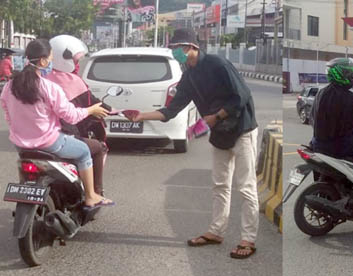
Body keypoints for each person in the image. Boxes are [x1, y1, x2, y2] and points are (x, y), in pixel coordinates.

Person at [126, 28, 259, 259]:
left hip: (242, 130)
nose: (175, 52)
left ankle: (248, 239)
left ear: (192, 47)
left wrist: (216, 116)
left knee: (246, 187)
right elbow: (171, 110)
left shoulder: (218, 64)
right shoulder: (188, 76)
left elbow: (242, 95)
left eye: (178, 48)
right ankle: (216, 231)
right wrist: (141, 116)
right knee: (220, 185)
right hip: (219, 133)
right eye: (173, 48)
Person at [0, 39, 113, 208]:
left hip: (21, 144)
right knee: (83, 152)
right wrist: (91, 110)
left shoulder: (9, 86)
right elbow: (71, 116)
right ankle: (90, 196)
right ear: (44, 61)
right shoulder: (49, 87)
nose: (51, 64)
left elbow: (7, 113)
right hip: (49, 143)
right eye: (50, 59)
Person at [45, 34, 111, 196]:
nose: (78, 64)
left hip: (30, 140)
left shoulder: (41, 80)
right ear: (65, 60)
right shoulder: (73, 82)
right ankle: (95, 193)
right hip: (61, 138)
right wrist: (109, 109)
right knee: (98, 147)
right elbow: (87, 105)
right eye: (76, 61)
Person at [310, 58, 353, 158]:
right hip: (338, 150)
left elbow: (312, 118)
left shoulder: (321, 92)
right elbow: (349, 127)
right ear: (342, 75)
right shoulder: (349, 97)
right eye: (351, 74)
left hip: (317, 145)